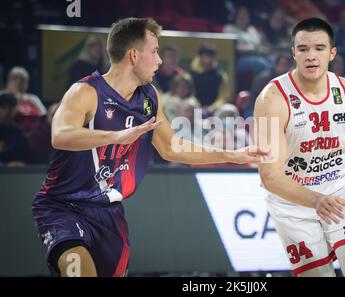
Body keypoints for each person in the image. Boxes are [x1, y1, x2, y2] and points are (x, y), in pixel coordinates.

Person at [32, 18, 270, 277]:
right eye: (155, 51)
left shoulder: (149, 96)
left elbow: (171, 148)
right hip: (63, 206)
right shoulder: (85, 92)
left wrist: (231, 155)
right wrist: (116, 136)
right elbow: (61, 135)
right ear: (134, 55)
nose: (159, 61)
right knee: (78, 269)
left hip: (109, 211)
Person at [254, 18, 345, 277]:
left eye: (319, 48)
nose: (311, 56)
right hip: (293, 201)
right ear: (293, 53)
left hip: (339, 190)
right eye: (303, 49)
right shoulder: (272, 98)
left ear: (332, 53)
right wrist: (315, 200)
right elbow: (270, 176)